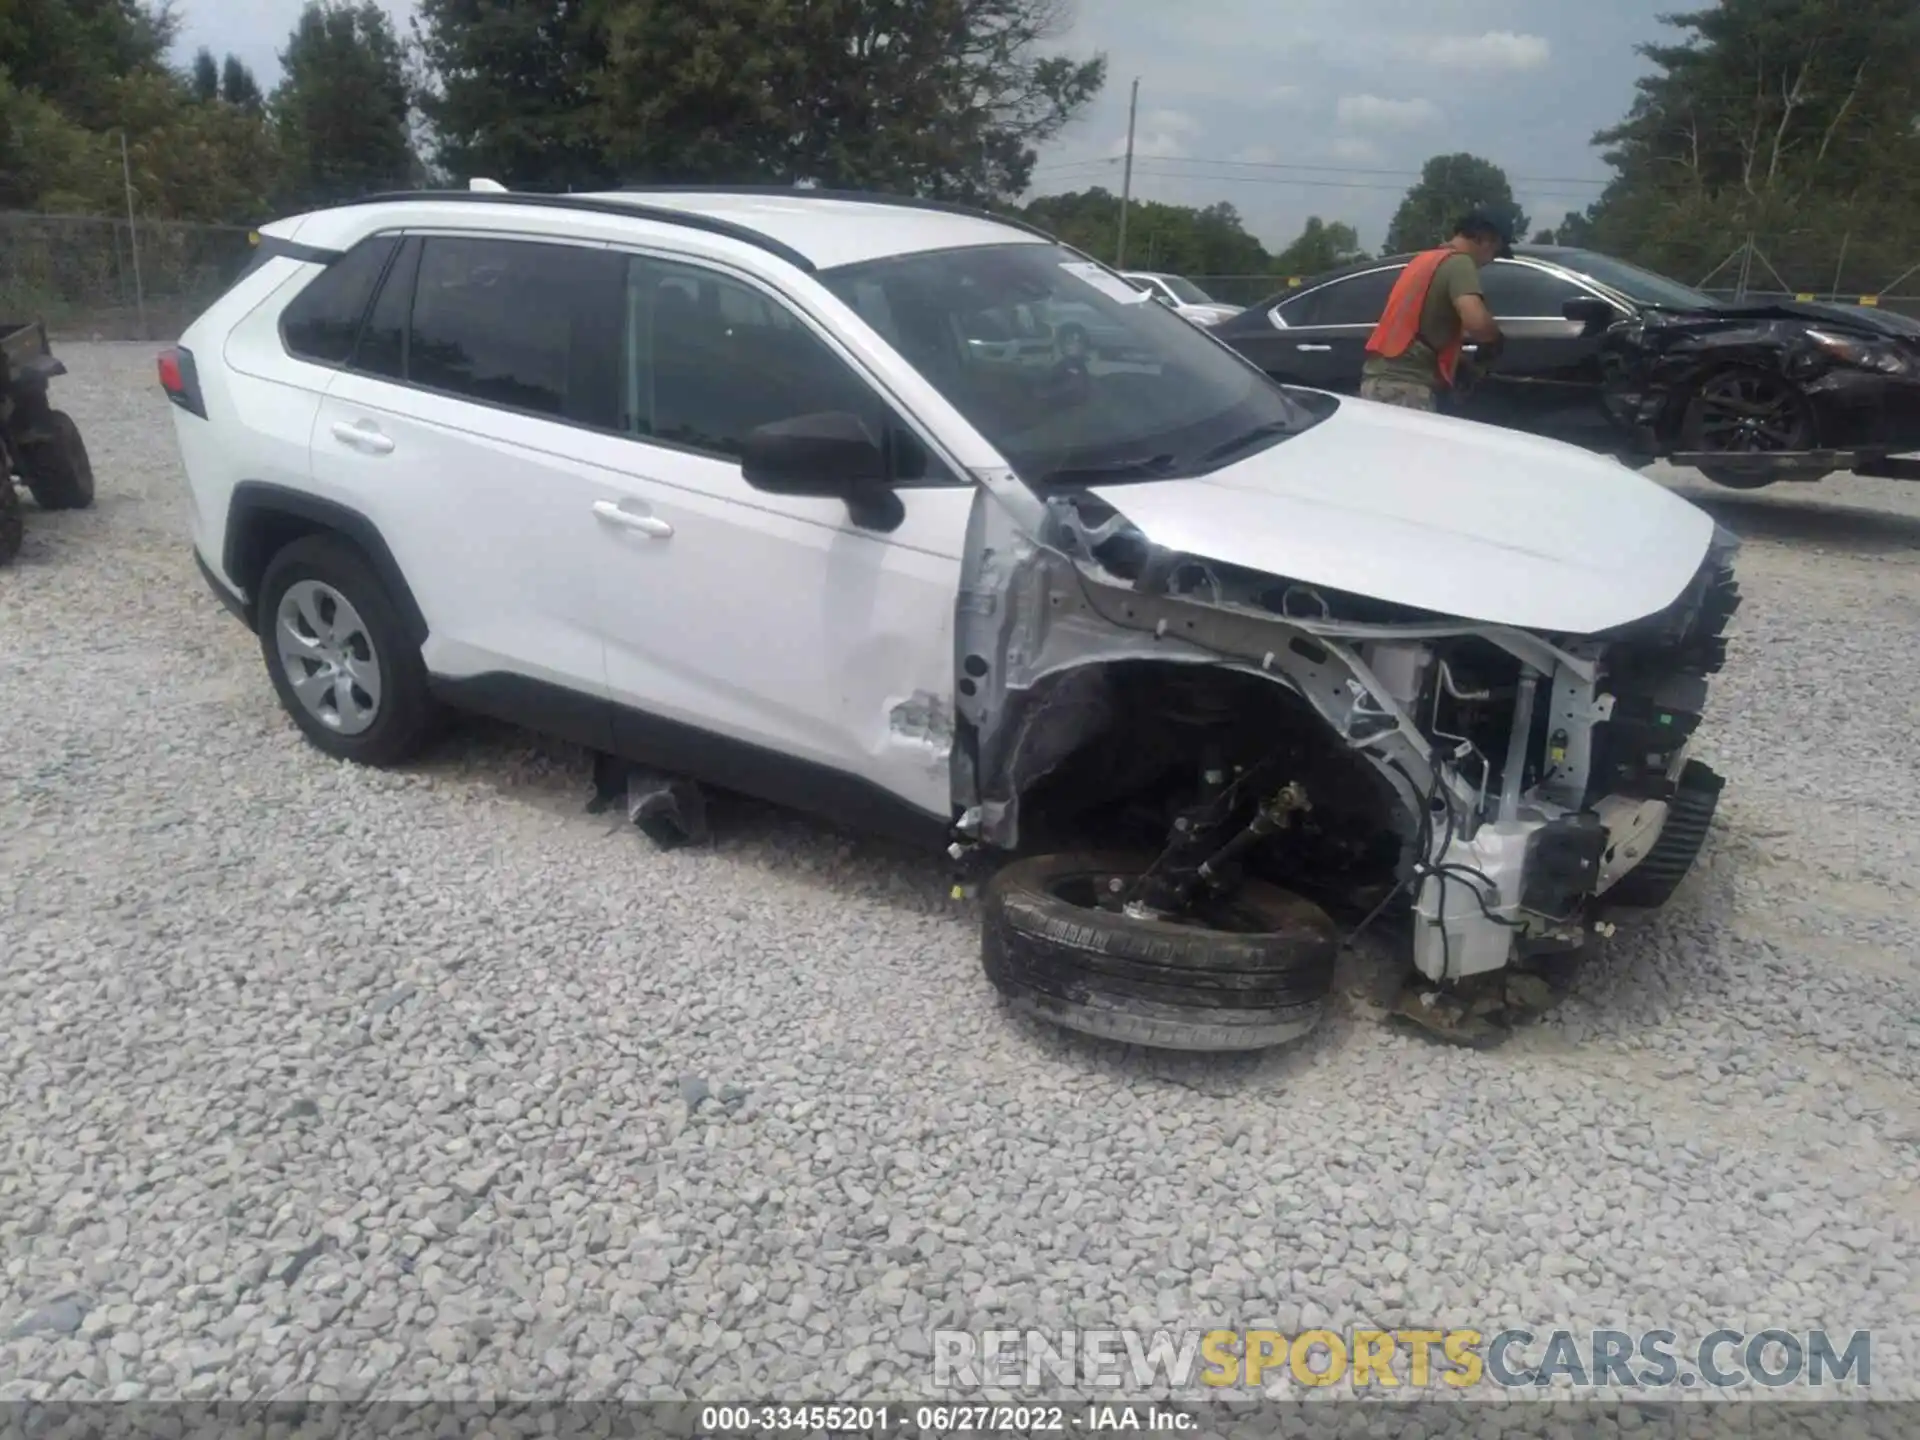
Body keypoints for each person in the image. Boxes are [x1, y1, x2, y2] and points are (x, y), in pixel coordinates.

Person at [1359, 211, 1511, 411]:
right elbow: (1477, 324)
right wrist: (1494, 339)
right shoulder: (1460, 263)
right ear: (1483, 238)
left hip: (1379, 381)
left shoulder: (1424, 260)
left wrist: (1459, 362)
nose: (1491, 260)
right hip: (1407, 388)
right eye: (1495, 251)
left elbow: (1418, 326)